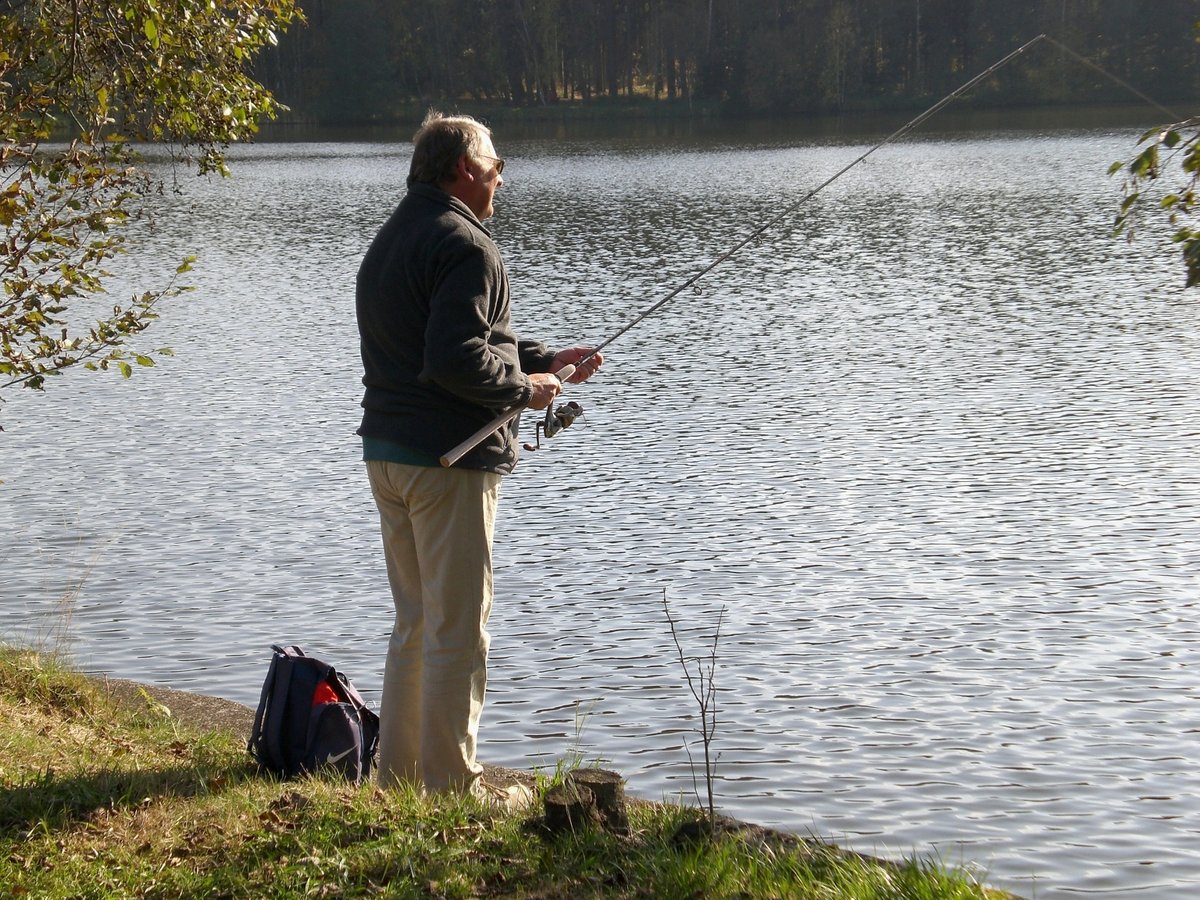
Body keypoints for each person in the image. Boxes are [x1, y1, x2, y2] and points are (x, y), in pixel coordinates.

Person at [355, 110, 602, 801]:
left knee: (415, 624)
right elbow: (454, 358)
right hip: (449, 464)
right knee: (458, 629)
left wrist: (548, 359)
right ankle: (452, 792)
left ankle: (400, 782)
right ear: (465, 168)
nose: (501, 175)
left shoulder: (396, 234)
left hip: (389, 454)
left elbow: (460, 337)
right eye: (496, 164)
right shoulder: (468, 245)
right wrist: (529, 389)